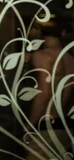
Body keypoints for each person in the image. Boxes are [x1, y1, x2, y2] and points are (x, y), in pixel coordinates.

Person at [26, 23, 74, 160]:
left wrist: (29, 125)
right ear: (63, 33)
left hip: (46, 124)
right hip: (65, 124)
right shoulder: (69, 58)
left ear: (41, 34)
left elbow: (44, 94)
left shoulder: (42, 55)